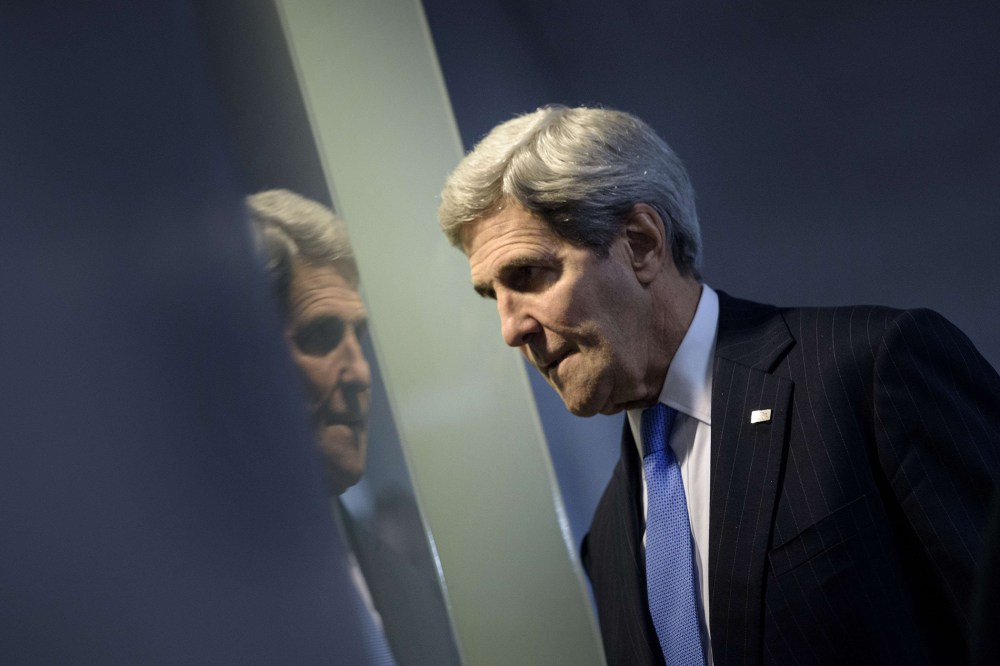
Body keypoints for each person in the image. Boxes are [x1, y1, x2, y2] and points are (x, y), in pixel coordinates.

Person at [437, 106, 1000, 665]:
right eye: (493, 297)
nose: (511, 329)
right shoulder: (607, 537)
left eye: (529, 275)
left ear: (640, 243)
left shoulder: (870, 371)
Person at [248, 190, 460, 666]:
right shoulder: (182, 595)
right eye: (320, 337)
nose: (361, 373)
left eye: (357, 336)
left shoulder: (412, 592)